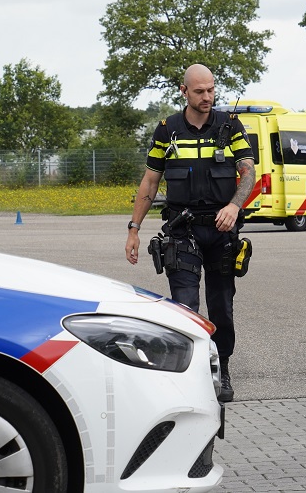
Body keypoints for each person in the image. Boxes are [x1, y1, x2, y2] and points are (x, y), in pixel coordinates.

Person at [125, 64, 256, 403]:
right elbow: (150, 181)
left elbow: (248, 172)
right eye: (199, 91)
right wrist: (134, 228)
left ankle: (222, 366)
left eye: (211, 90)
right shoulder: (167, 129)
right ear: (184, 91)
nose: (207, 97)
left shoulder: (230, 125)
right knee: (185, 306)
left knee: (221, 306)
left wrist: (234, 207)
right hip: (182, 230)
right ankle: (193, 373)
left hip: (222, 230)